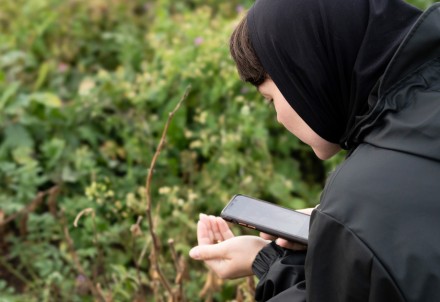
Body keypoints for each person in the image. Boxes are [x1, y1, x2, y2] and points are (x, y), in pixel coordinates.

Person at [190, 0, 440, 300]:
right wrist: (336, 234)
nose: (279, 118)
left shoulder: (359, 198)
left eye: (270, 99)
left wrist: (268, 262)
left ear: (305, 73)